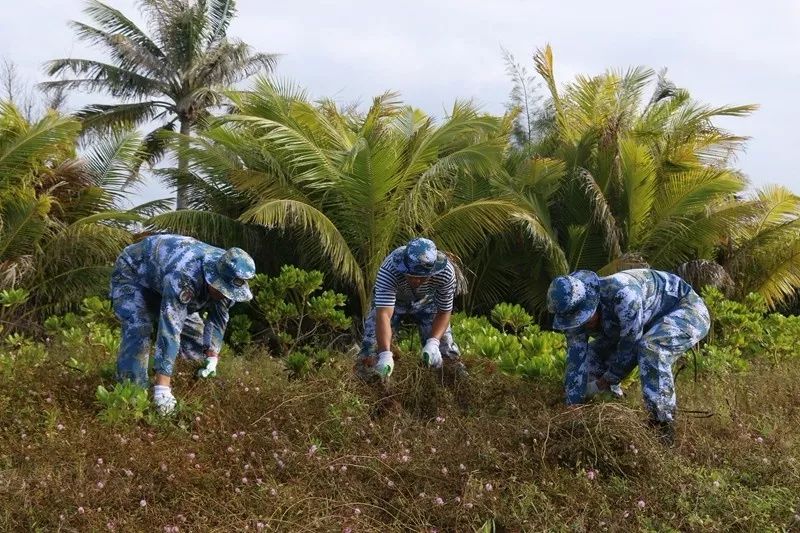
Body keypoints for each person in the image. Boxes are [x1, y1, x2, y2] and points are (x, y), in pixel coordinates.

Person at [547, 268, 710, 443]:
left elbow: (630, 347)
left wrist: (606, 380)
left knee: (651, 348)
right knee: (591, 357)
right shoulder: (571, 312)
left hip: (684, 308)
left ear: (591, 301)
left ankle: (662, 426)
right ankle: (612, 414)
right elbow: (576, 359)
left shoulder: (624, 294)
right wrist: (573, 404)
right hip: (641, 324)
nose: (582, 324)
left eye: (584, 317)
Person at [110, 234, 255, 414]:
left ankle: (192, 389)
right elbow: (170, 327)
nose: (225, 295)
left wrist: (212, 355)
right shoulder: (185, 273)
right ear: (213, 277)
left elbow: (218, 318)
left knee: (196, 338)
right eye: (222, 290)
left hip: (167, 283)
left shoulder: (230, 277)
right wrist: (162, 388)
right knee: (139, 329)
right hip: (134, 273)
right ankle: (132, 398)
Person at [356, 237, 465, 382]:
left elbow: (444, 311)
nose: (416, 281)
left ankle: (451, 388)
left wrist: (433, 342)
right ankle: (370, 388)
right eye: (411, 276)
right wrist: (385, 355)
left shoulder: (445, 272)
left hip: (427, 302)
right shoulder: (390, 269)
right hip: (394, 303)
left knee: (446, 352)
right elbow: (383, 315)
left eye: (421, 277)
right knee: (371, 350)